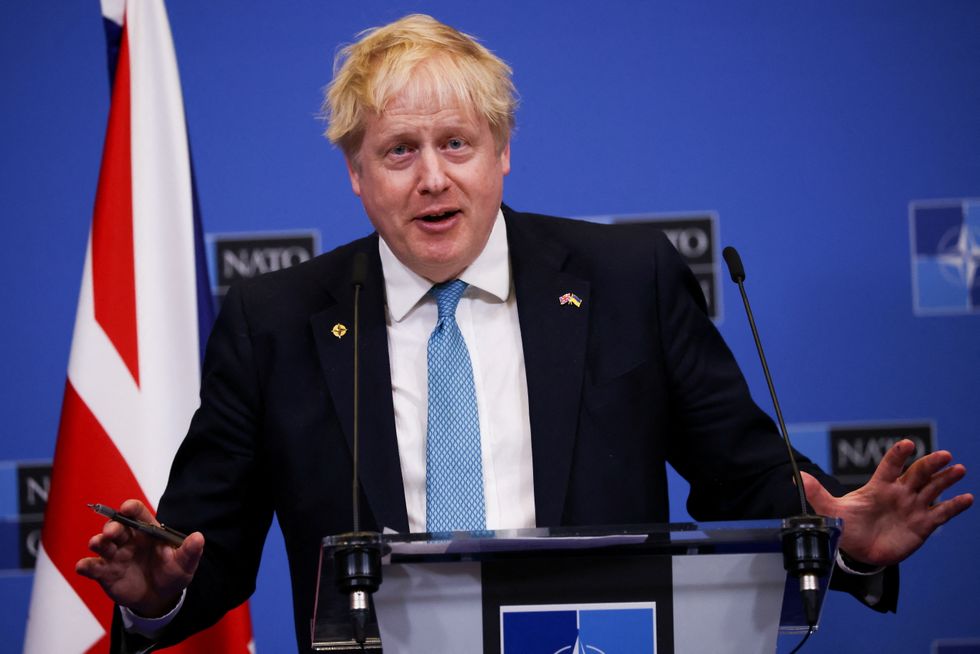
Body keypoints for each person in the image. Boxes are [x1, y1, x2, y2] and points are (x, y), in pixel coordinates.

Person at [76, 14, 973, 652]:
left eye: (457, 144)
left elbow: (742, 474)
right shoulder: (274, 322)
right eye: (399, 151)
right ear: (356, 171)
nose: (433, 178)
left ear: (502, 151)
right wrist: (158, 595)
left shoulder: (627, 281)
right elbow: (205, 550)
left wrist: (843, 541)